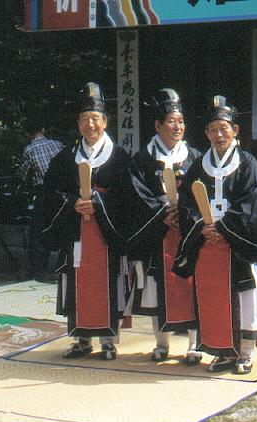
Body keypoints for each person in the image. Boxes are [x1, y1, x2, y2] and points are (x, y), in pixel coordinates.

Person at [173, 95, 257, 375]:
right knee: (212, 298)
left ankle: (245, 352)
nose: (219, 135)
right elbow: (187, 204)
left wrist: (223, 228)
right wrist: (202, 226)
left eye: (224, 128)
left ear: (235, 130)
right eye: (213, 129)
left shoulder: (247, 164)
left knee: (244, 297)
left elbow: (253, 204)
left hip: (237, 244)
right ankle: (222, 351)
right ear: (206, 133)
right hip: (207, 244)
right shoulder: (198, 167)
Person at [39, 82, 132, 360]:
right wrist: (71, 203)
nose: (90, 124)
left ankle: (108, 340)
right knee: (77, 283)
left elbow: (128, 198)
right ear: (78, 124)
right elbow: (49, 194)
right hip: (76, 232)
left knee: (108, 284)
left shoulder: (120, 157)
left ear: (105, 122)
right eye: (84, 119)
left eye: (95, 118)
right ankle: (81, 339)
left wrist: (99, 204)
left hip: (107, 234)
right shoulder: (65, 157)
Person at [126, 88, 202, 363]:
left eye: (181, 121)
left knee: (191, 285)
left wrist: (184, 212)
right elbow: (136, 194)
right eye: (171, 121)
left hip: (188, 232)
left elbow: (203, 190)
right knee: (156, 288)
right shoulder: (142, 159)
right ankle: (161, 343)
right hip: (157, 234)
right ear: (158, 125)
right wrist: (161, 212)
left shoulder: (195, 157)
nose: (178, 127)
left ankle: (194, 344)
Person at [18, 111, 64, 281]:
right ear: (43, 129)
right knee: (62, 227)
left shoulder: (29, 149)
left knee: (39, 231)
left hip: (44, 192)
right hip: (63, 192)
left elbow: (23, 174)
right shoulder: (58, 145)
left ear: (28, 134)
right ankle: (63, 266)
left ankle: (38, 270)